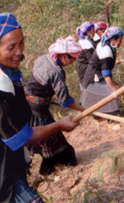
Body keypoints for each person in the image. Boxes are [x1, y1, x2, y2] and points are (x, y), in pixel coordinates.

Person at [0, 13, 78, 203]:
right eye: (11, 47)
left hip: (1, 158)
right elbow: (21, 137)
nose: (19, 51)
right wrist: (59, 125)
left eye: (21, 43)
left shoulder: (7, 71)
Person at [26, 35, 85, 176]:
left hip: (28, 104)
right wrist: (85, 109)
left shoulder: (43, 58)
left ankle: (48, 168)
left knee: (45, 140)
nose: (72, 62)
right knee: (55, 144)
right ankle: (46, 171)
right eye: (72, 59)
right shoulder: (57, 72)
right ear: (64, 56)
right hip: (38, 110)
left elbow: (37, 84)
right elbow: (65, 102)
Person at [81, 26, 124, 114]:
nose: (121, 42)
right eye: (119, 40)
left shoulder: (108, 45)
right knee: (110, 94)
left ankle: (100, 116)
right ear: (113, 39)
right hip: (93, 80)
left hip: (96, 77)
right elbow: (106, 75)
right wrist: (115, 90)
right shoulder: (105, 51)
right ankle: (111, 121)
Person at [75, 21, 96, 86]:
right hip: (84, 70)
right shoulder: (86, 43)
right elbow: (92, 60)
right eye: (93, 29)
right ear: (88, 31)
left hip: (84, 68)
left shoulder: (85, 41)